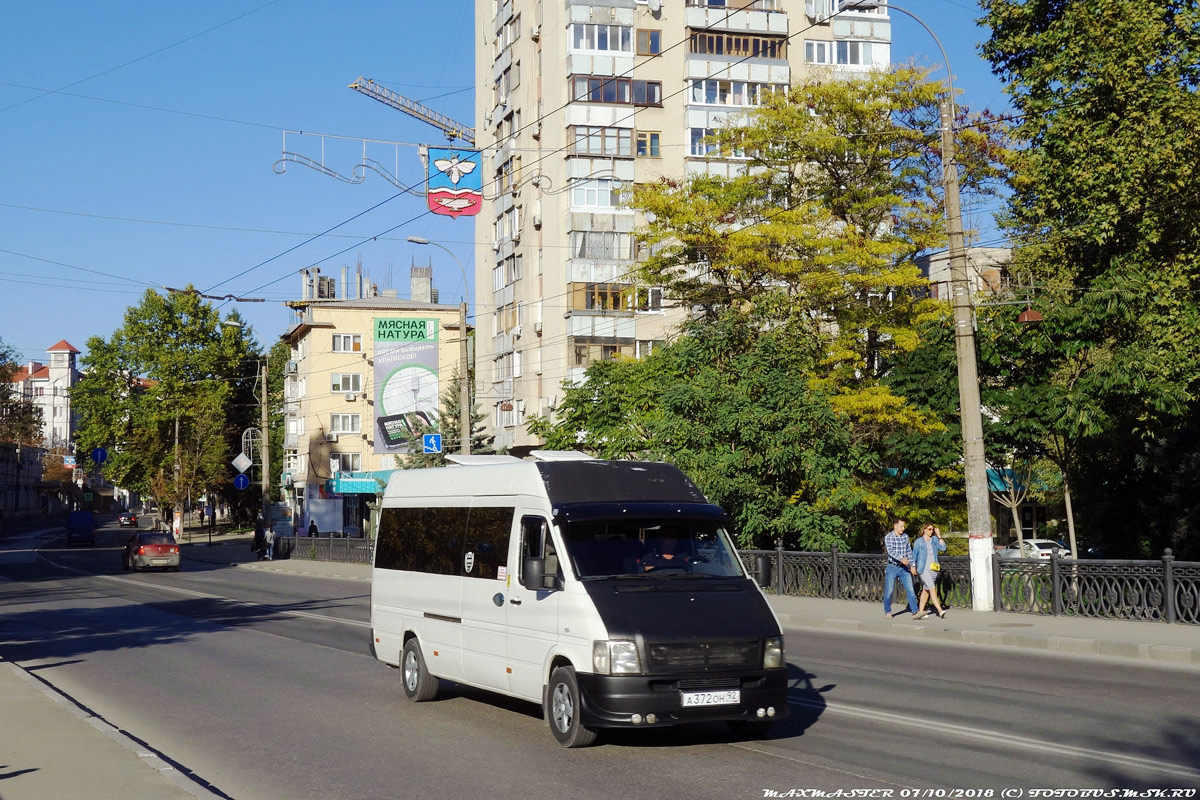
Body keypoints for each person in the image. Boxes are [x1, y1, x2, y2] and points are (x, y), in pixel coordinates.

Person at [883, 517, 920, 619]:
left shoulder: (905, 537)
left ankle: (915, 612)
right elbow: (890, 551)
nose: (903, 528)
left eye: (904, 526)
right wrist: (901, 559)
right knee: (889, 591)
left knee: (910, 590)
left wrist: (912, 565)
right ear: (895, 526)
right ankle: (888, 611)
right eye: (901, 526)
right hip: (892, 567)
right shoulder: (889, 537)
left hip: (904, 569)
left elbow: (909, 552)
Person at [912, 524, 948, 620]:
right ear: (924, 530)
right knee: (932, 588)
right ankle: (940, 610)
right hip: (923, 569)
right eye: (929, 529)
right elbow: (914, 555)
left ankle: (920, 611)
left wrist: (939, 535)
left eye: (932, 529)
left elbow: (943, 548)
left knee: (926, 590)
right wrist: (913, 566)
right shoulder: (919, 542)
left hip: (933, 569)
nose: (931, 531)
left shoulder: (934, 540)